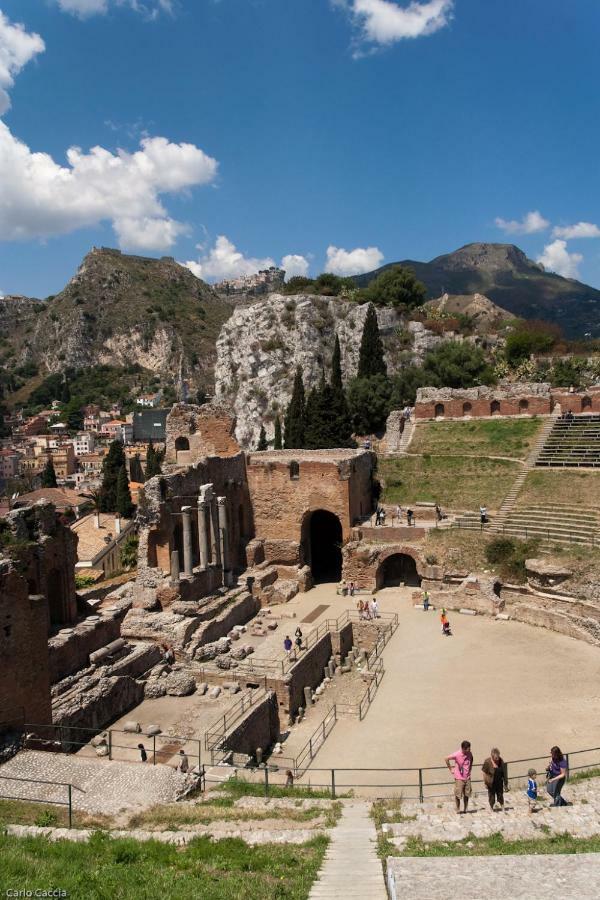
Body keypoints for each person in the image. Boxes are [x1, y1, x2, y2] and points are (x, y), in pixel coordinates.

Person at [445, 740, 473, 814]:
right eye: (468, 749)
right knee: (458, 794)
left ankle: (465, 808)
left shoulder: (469, 753)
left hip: (467, 777)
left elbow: (471, 759)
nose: (469, 750)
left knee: (467, 794)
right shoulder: (457, 754)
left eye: (469, 749)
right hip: (459, 778)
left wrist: (470, 769)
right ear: (463, 748)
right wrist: (451, 769)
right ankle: (458, 809)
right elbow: (446, 758)